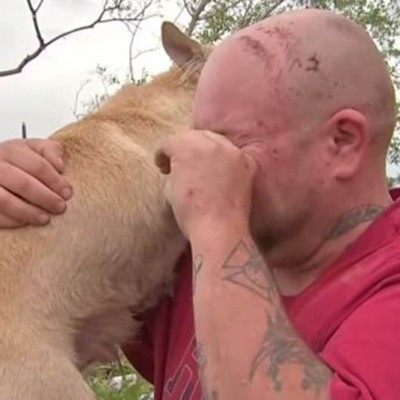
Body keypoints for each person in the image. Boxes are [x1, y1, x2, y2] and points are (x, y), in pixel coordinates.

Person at [1, 7, 400, 399]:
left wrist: (217, 224)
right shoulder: (189, 257)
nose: (192, 161)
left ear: (342, 142)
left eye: (225, 143)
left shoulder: (219, 236)